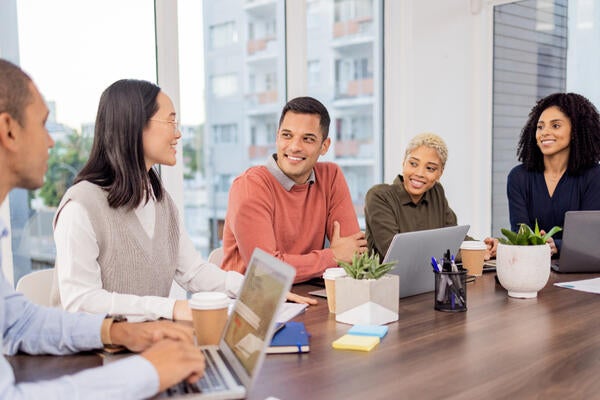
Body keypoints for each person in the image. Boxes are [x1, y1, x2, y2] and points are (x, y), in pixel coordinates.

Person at [0, 58, 205, 398]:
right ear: (9, 129)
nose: (52, 142)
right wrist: (149, 371)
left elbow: (17, 323)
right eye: (43, 124)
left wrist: (118, 332)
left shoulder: (160, 198)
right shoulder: (82, 204)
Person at [52, 79, 245, 321]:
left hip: (149, 344)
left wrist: (253, 288)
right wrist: (169, 308)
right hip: (97, 355)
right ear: (134, 125)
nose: (178, 133)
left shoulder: (159, 200)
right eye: (170, 121)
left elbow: (193, 271)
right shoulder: (81, 207)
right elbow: (81, 302)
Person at [221, 96, 367, 283]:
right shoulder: (249, 186)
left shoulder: (331, 177)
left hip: (307, 297)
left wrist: (339, 255)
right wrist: (333, 256)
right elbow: (266, 272)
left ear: (325, 146)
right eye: (287, 135)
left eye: (308, 139)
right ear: (277, 137)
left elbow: (353, 255)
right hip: (250, 304)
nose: (295, 147)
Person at [364, 132, 497, 260]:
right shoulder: (379, 197)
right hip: (387, 282)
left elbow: (453, 237)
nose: (420, 173)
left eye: (430, 168)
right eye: (413, 164)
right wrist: (470, 254)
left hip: (430, 280)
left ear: (440, 173)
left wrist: (483, 247)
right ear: (403, 162)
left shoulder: (436, 192)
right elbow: (397, 254)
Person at [507, 92, 600, 255]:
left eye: (555, 125)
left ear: (575, 131)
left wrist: (557, 245)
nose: (544, 132)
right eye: (540, 126)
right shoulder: (518, 177)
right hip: (531, 267)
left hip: (580, 272)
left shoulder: (594, 176)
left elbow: (590, 238)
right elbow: (519, 233)